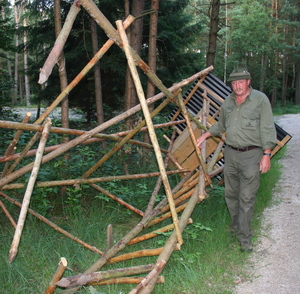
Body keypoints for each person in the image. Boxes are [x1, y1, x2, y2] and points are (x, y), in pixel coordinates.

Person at [197, 63, 277, 252]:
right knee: (231, 195)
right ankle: (236, 227)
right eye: (234, 83)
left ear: (248, 82)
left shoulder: (260, 100)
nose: (237, 86)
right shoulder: (228, 101)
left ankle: (245, 237)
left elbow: (267, 129)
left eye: (241, 82)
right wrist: (205, 135)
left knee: (246, 197)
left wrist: (267, 155)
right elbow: (221, 125)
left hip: (252, 154)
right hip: (231, 154)